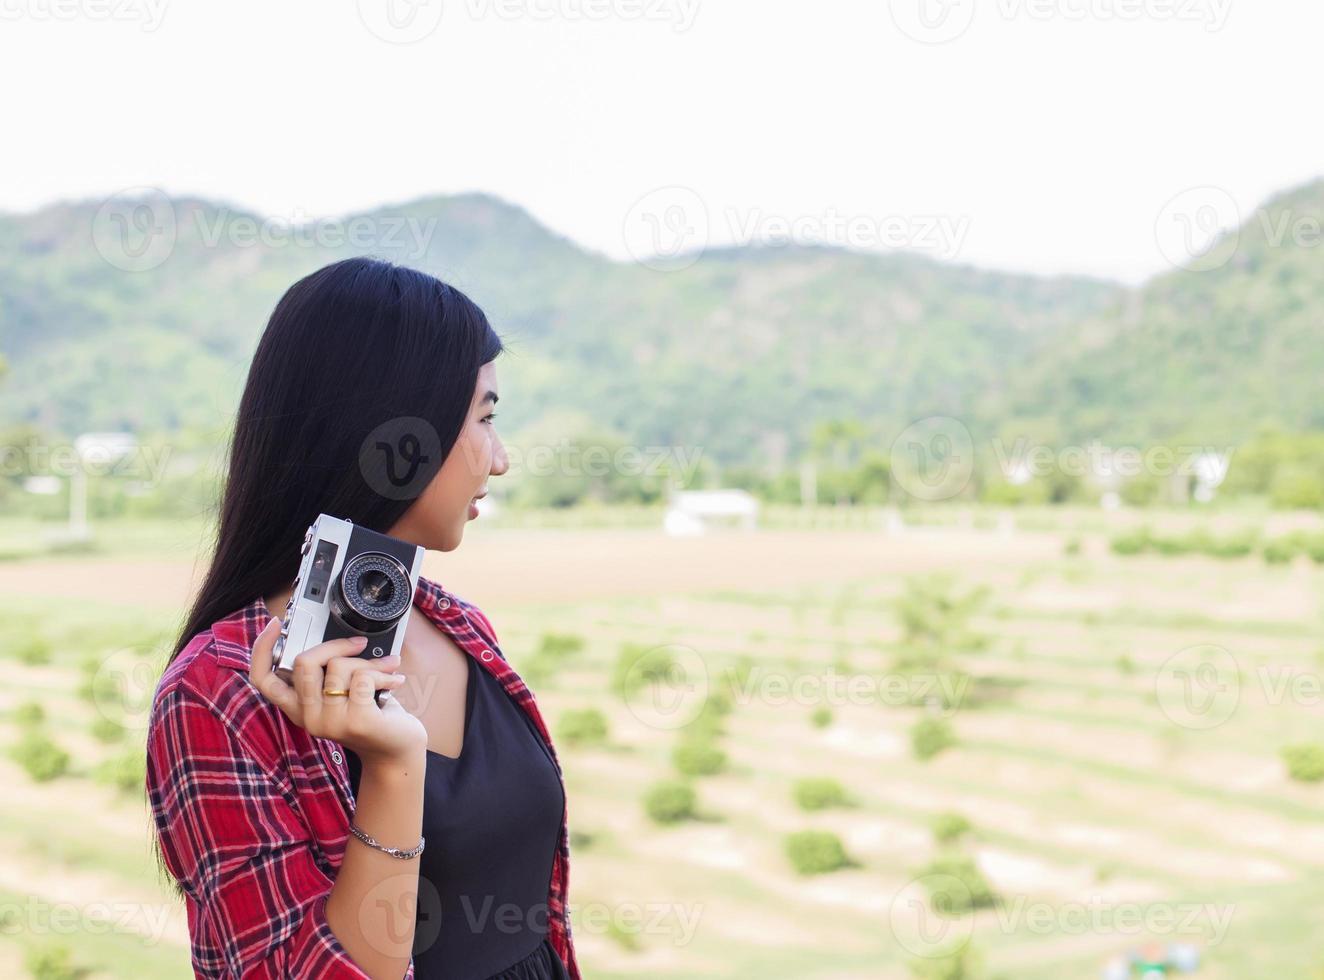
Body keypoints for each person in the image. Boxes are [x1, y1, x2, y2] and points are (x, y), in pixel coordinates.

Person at [145, 257, 582, 980]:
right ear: (400, 442)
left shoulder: (461, 626)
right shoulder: (215, 694)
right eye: (485, 419)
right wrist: (392, 767)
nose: (499, 460)